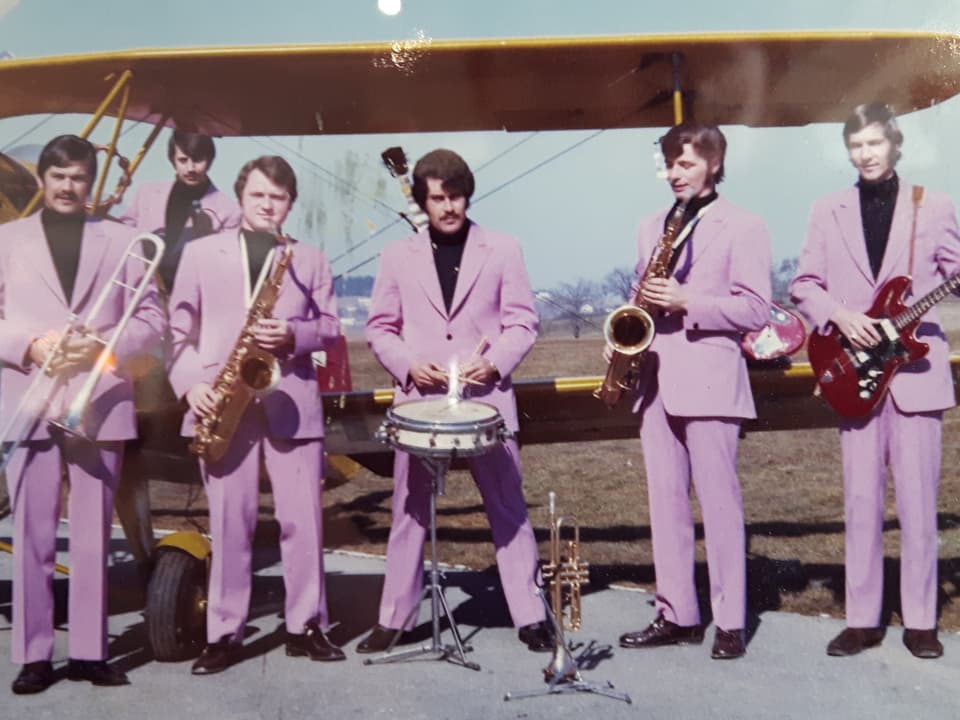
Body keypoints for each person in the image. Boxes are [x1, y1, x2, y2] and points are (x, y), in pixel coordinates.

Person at [360, 148, 553, 653]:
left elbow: (523, 322)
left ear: (468, 195)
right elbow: (379, 327)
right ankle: (394, 618)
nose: (448, 207)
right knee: (409, 511)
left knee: (507, 506)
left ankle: (531, 614)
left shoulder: (504, 249)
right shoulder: (396, 256)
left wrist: (495, 363)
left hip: (486, 400)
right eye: (437, 198)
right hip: (419, 405)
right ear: (423, 202)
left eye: (456, 196)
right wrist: (405, 364)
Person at [791, 103, 959, 659]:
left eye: (874, 143)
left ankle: (920, 621)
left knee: (917, 501)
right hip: (853, 371)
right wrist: (841, 317)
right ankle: (862, 619)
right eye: (856, 145)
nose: (865, 154)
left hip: (915, 373)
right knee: (860, 499)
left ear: (895, 145)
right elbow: (805, 285)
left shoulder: (934, 205)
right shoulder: (825, 210)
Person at [0, 134, 164, 693]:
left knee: (93, 533)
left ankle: (93, 652)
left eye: (78, 178)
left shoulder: (123, 239)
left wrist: (105, 344)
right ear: (43, 178)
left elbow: (152, 321)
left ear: (89, 183)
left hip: (100, 401)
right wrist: (30, 345)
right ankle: (35, 654)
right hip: (30, 396)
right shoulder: (7, 239)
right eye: (59, 176)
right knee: (33, 534)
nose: (69, 186)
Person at [167, 155, 344, 674]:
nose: (269, 205)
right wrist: (191, 385)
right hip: (222, 405)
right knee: (229, 523)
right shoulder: (199, 254)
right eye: (259, 196)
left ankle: (306, 625)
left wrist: (295, 334)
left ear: (291, 203)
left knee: (303, 523)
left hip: (289, 400)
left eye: (279, 197)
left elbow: (331, 327)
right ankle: (223, 634)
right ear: (241, 197)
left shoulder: (308, 257)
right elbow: (177, 333)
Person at [616, 123, 771, 660]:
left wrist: (687, 301)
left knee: (721, 505)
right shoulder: (648, 226)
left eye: (685, 163)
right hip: (655, 378)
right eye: (669, 164)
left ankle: (730, 622)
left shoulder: (744, 226)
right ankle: (676, 612)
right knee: (665, 504)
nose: (675, 173)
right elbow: (640, 298)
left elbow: (755, 308)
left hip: (711, 378)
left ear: (713, 162)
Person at [119, 130, 241, 293]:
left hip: (188, 298)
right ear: (172, 160)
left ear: (210, 161)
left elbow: (224, 268)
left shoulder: (230, 211)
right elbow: (121, 237)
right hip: (137, 291)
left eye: (197, 160)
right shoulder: (146, 193)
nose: (190, 168)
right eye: (183, 160)